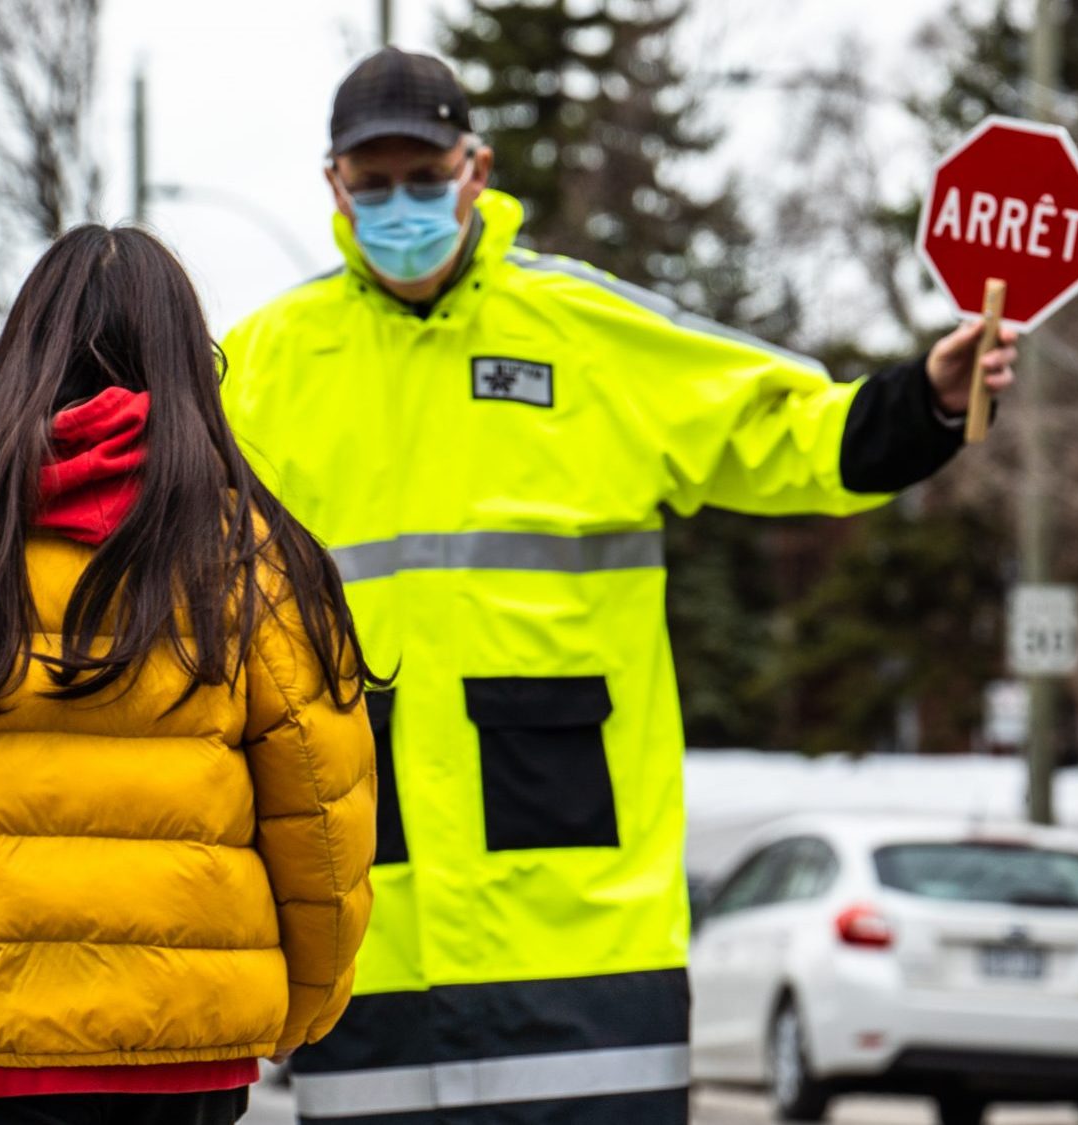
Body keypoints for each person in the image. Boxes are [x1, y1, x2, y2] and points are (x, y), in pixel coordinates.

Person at [219, 48, 1020, 1124]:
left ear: (476, 170)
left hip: (584, 928)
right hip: (371, 937)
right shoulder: (261, 369)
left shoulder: (585, 332)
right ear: (333, 188)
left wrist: (922, 400)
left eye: (423, 175)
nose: (398, 205)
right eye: (373, 184)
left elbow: (786, 433)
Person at [0, 225, 381, 1125]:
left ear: (21, 359)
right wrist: (305, 1002)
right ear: (185, 361)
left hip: (2, 1040)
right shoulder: (254, 555)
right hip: (196, 1037)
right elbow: (323, 817)